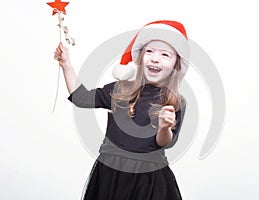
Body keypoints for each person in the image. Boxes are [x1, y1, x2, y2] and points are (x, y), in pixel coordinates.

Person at [54, 20, 190, 200]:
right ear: (140, 57)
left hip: (148, 179)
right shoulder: (120, 89)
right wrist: (66, 65)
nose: (155, 58)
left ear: (176, 65)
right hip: (111, 173)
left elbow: (164, 143)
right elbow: (81, 98)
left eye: (165, 54)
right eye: (149, 51)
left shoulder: (175, 101)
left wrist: (164, 128)